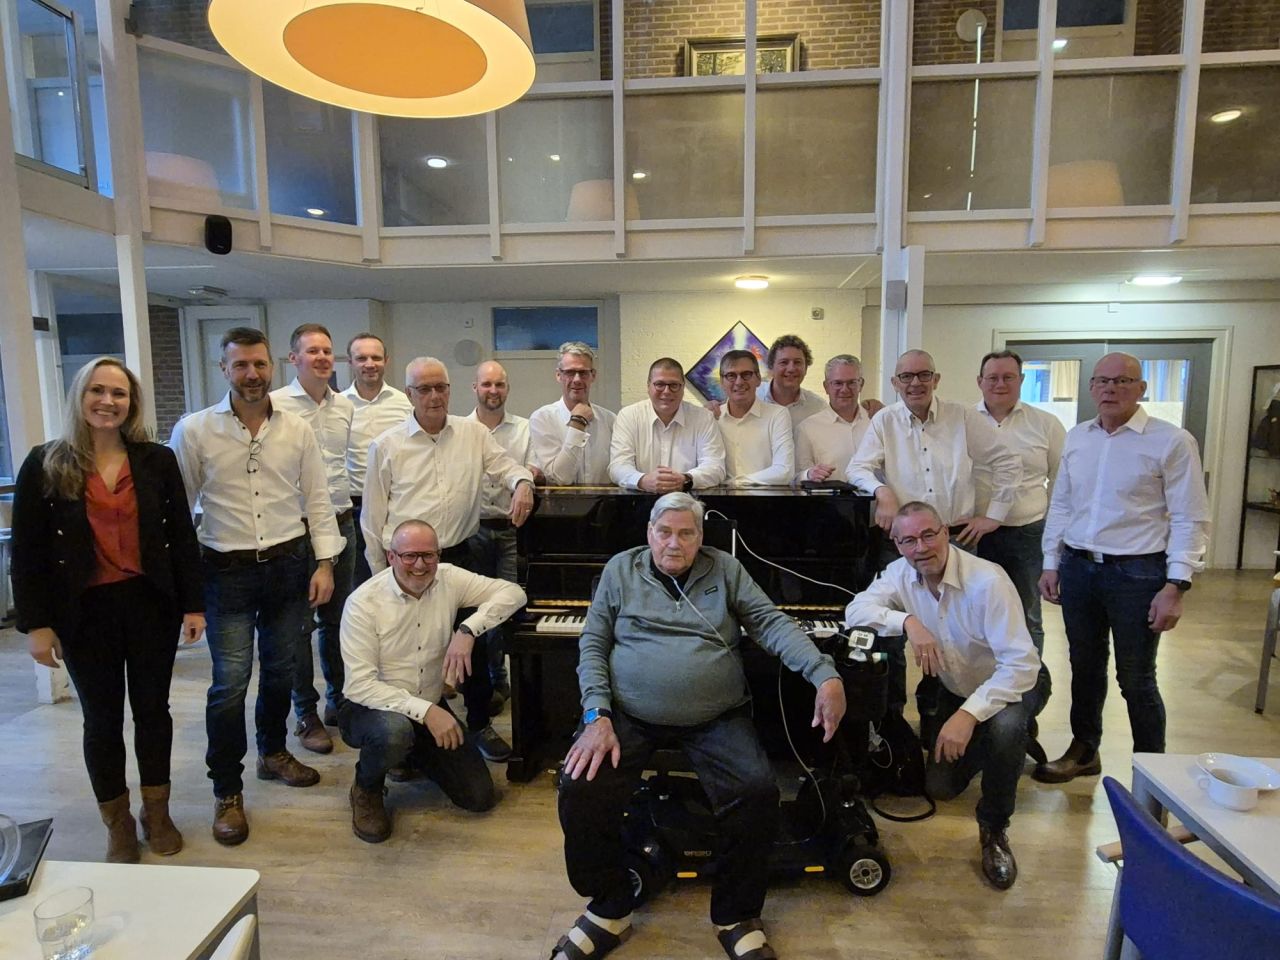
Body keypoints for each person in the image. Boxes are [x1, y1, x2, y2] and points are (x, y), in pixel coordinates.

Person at [553, 492, 846, 960]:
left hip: (715, 716)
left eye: (686, 533)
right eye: (664, 532)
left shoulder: (726, 569)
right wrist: (596, 715)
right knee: (580, 786)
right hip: (626, 715)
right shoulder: (620, 570)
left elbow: (770, 623)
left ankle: (736, 915)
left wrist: (823, 673)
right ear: (649, 533)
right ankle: (609, 905)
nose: (674, 543)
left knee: (756, 792)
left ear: (701, 537)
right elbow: (593, 644)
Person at [11, 358, 205, 863]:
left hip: (149, 605)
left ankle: (156, 812)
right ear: (80, 397)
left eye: (119, 393)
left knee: (153, 712)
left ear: (131, 403)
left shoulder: (156, 460)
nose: (108, 401)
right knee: (101, 720)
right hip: (83, 612)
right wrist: (36, 625)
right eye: (97, 391)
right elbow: (27, 552)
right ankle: (117, 822)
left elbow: (181, 536)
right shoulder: (46, 463)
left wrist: (193, 605)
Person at [170, 327, 343, 846]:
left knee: (282, 670)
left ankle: (272, 753)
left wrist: (325, 564)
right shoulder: (195, 430)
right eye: (241, 365)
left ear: (274, 367)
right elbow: (178, 514)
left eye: (259, 364)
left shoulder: (297, 429)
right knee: (230, 684)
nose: (251, 374)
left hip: (289, 566)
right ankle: (227, 790)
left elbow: (318, 499)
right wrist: (186, 592)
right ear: (223, 369)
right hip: (226, 573)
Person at [845, 502, 1039, 890]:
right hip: (956, 688)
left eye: (928, 535)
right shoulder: (900, 574)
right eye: (908, 540)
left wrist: (968, 716)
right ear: (897, 545)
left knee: (1005, 728)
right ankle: (998, 746)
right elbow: (856, 611)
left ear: (945, 533)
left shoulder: (988, 581)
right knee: (940, 788)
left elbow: (1021, 666)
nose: (920, 547)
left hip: (1009, 685)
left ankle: (994, 828)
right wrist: (907, 621)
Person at [1035, 352, 1210, 783]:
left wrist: (1177, 584)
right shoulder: (1078, 438)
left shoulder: (1171, 441)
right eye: (1102, 381)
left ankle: (1152, 775)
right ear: (1091, 387)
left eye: (1122, 381)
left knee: (1135, 678)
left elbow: (1190, 516)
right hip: (1079, 568)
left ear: (1141, 388)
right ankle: (1084, 750)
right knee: (1084, 666)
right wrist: (1051, 562)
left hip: (1138, 574)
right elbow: (1062, 504)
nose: (1110, 389)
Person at [361, 356, 534, 762]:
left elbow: (506, 467)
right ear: (409, 394)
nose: (434, 396)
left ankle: (478, 723)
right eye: (424, 389)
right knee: (406, 652)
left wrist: (523, 483)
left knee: (471, 645)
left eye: (441, 387)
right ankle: (409, 735)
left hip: (458, 556)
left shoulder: (473, 434)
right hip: (404, 566)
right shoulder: (386, 445)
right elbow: (372, 519)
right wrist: (380, 578)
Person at [847, 348, 1021, 719]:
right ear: (895, 383)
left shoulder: (962, 417)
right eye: (906, 377)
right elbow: (858, 468)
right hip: (905, 543)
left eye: (923, 375)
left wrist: (994, 515)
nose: (915, 383)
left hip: (956, 539)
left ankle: (941, 708)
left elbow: (1007, 462)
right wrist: (882, 491)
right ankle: (893, 715)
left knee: (955, 630)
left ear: (936, 379)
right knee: (892, 634)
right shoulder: (885, 421)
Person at [339, 520, 526, 842]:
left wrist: (468, 630)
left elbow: (513, 593)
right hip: (369, 708)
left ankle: (411, 753)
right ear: (391, 556)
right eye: (409, 556)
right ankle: (366, 787)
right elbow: (360, 686)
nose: (420, 565)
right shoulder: (363, 603)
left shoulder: (449, 578)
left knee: (479, 797)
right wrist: (427, 712)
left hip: (428, 701)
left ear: (439, 555)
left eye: (428, 555)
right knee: (394, 732)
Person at [972, 350, 1066, 760]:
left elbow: (1062, 484)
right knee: (974, 620)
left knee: (1027, 620)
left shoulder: (1045, 424)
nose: (999, 383)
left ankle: (1024, 712)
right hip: (974, 534)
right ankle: (977, 704)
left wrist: (1055, 544)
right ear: (979, 381)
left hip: (1027, 533)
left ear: (1021, 380)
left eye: (1008, 376)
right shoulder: (963, 420)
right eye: (992, 376)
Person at [270, 323, 357, 755]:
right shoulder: (275, 406)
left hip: (341, 521)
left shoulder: (344, 407)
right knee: (298, 628)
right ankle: (305, 711)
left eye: (327, 351)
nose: (322, 358)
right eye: (312, 351)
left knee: (339, 621)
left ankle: (339, 700)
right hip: (296, 529)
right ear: (294, 359)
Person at [467, 359, 536, 707]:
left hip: (512, 531)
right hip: (472, 531)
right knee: (474, 610)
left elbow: (533, 468)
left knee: (506, 607)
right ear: (475, 388)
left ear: (507, 388)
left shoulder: (525, 429)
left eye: (499, 384)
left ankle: (505, 678)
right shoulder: (460, 430)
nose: (493, 390)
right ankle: (489, 680)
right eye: (486, 384)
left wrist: (525, 479)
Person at [341, 332, 413, 586]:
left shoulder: (404, 403)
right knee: (360, 584)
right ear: (350, 362)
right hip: (355, 508)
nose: (369, 364)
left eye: (376, 357)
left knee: (400, 579)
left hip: (397, 505)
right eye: (361, 358)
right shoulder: (339, 405)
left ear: (386, 361)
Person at [608, 358, 726, 491]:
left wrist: (685, 479)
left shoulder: (703, 418)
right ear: (648, 386)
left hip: (688, 500)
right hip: (639, 499)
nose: (666, 391)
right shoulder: (628, 416)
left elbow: (715, 467)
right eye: (659, 384)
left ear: (683, 387)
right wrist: (643, 480)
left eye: (674, 385)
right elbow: (618, 466)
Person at [529, 341, 617, 485]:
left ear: (593, 376)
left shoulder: (610, 420)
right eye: (570, 372)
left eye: (583, 373)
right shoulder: (542, 418)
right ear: (559, 375)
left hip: (604, 499)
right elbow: (560, 478)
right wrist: (577, 423)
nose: (577, 379)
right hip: (561, 500)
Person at [714, 349, 794, 486]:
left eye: (746, 374)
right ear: (722, 381)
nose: (739, 382)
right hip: (719, 498)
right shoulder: (713, 418)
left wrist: (735, 483)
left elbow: (784, 471)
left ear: (758, 379)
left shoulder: (777, 415)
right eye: (731, 375)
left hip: (766, 498)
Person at [794, 354, 873, 484]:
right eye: (838, 383)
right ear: (826, 387)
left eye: (851, 383)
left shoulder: (875, 422)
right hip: (830, 497)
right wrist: (808, 475)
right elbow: (796, 479)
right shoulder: (807, 429)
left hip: (875, 497)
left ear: (861, 384)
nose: (844, 389)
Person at [755, 334, 828, 427]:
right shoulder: (754, 398)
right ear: (771, 367)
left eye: (797, 362)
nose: (791, 369)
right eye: (784, 362)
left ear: (806, 368)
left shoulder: (818, 408)